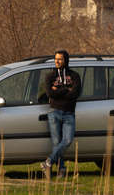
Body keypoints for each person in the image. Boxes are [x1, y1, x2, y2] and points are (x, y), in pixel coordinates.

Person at [41, 50, 81, 178]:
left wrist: (58, 90)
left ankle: (48, 162)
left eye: (60, 59)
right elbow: (50, 94)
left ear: (66, 60)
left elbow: (75, 94)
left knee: (68, 140)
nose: (57, 61)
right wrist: (65, 89)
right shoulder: (50, 76)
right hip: (54, 112)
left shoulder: (75, 76)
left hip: (69, 112)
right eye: (56, 59)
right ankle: (61, 170)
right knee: (56, 142)